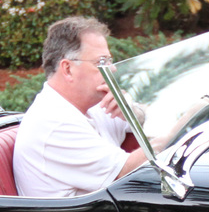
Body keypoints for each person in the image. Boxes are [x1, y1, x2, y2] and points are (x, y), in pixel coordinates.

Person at [12, 17, 151, 198]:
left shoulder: (94, 104)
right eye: (101, 62)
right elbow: (124, 172)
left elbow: (146, 119)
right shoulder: (53, 122)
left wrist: (133, 112)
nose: (113, 69)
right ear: (68, 69)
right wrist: (178, 135)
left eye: (110, 61)